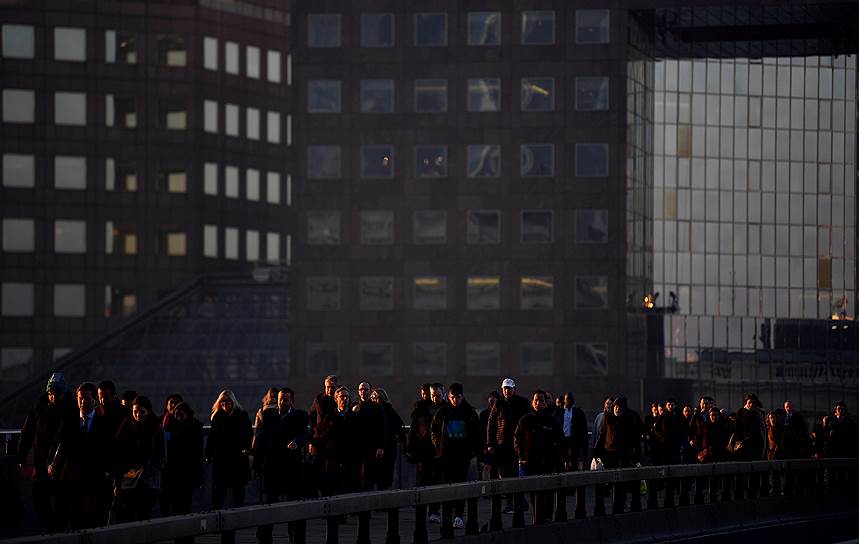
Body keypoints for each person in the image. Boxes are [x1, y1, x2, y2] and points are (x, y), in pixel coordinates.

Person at [16, 372, 77, 532]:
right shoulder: (39, 405)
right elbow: (27, 431)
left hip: (61, 464)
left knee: (60, 500)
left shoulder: (70, 408)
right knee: (39, 499)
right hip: (41, 461)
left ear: (63, 394)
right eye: (51, 394)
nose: (53, 397)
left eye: (57, 394)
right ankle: (55, 528)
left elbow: (66, 439)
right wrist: (21, 455)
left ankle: (58, 531)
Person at [50, 382, 113, 529]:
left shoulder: (104, 424)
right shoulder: (69, 422)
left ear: (94, 400)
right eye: (80, 398)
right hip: (73, 481)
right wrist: (54, 465)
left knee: (95, 522)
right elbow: (61, 446)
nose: (83, 402)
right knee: (76, 522)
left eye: (87, 398)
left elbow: (108, 450)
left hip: (96, 480)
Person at [253, 387, 310, 544]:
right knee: (269, 505)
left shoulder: (300, 416)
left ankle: (296, 539)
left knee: (294, 506)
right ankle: (264, 538)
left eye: (285, 399)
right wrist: (257, 465)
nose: (282, 401)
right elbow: (262, 442)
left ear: (292, 400)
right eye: (280, 398)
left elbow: (306, 435)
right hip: (273, 467)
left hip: (292, 468)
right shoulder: (269, 415)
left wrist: (297, 443)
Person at [431, 383, 480, 531]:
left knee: (461, 485)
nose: (455, 400)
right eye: (452, 397)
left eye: (458, 397)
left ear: (462, 396)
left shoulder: (469, 412)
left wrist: (474, 453)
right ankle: (447, 515)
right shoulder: (443, 412)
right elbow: (434, 431)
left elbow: (477, 434)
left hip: (463, 457)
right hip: (446, 456)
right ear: (449, 396)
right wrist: (438, 446)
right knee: (446, 485)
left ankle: (458, 515)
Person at [113, 395, 166, 523]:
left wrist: (152, 467)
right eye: (135, 412)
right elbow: (118, 455)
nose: (138, 415)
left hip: (148, 479)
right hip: (129, 477)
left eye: (142, 412)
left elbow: (162, 456)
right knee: (128, 516)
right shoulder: (126, 426)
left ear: (148, 411)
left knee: (144, 516)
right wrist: (117, 482)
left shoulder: (156, 428)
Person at [516, 390, 566, 524]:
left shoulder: (552, 421)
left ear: (546, 403)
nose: (538, 403)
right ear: (532, 402)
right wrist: (521, 456)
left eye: (541, 400)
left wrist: (560, 458)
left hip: (548, 462)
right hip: (531, 463)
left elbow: (561, 441)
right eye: (536, 400)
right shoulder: (525, 420)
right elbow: (517, 439)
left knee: (548, 491)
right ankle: (538, 516)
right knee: (534, 492)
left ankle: (547, 516)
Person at [486, 377, 530, 514]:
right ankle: (512, 502)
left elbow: (528, 423)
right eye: (505, 388)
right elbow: (491, 425)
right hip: (502, 445)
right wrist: (490, 443)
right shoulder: (498, 404)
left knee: (517, 475)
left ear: (514, 389)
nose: (507, 391)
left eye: (509, 388)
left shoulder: (522, 403)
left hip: (518, 445)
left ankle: (518, 501)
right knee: (504, 475)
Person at [593, 395, 642, 513]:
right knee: (608, 480)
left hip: (624, 455)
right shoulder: (607, 417)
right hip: (609, 454)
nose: (616, 409)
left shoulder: (629, 419)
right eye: (615, 406)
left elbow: (635, 438)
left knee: (621, 481)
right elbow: (602, 435)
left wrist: (637, 455)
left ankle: (619, 503)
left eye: (619, 407)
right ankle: (612, 502)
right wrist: (596, 454)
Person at [310, 386, 362, 497]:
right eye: (342, 396)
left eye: (346, 397)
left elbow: (359, 437)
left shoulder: (354, 417)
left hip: (350, 457)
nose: (344, 399)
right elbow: (323, 436)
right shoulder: (330, 417)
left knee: (349, 486)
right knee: (333, 486)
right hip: (333, 456)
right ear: (336, 399)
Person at [206, 390, 253, 509]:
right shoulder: (217, 417)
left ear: (233, 401)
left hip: (237, 456)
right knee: (220, 489)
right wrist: (208, 454)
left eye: (227, 401)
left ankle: (238, 512)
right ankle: (218, 513)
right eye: (222, 401)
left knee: (238, 488)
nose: (224, 403)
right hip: (222, 457)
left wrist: (247, 448)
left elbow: (248, 434)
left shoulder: (241, 415)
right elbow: (212, 437)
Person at [407, 382, 445, 523]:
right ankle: (424, 510)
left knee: (437, 480)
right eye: (432, 395)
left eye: (438, 395)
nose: (435, 397)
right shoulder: (421, 408)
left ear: (443, 393)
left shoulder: (446, 408)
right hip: (424, 450)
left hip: (440, 451)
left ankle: (434, 511)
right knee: (424, 481)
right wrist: (411, 449)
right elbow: (413, 429)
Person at [161, 401, 203, 524]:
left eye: (181, 415)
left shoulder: (194, 428)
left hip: (187, 471)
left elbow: (197, 452)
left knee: (184, 501)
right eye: (176, 415)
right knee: (176, 502)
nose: (178, 418)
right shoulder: (170, 427)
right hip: (174, 471)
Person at [352, 382, 387, 491]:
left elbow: (383, 427)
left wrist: (381, 447)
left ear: (370, 391)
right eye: (361, 389)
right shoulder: (354, 406)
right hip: (356, 447)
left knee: (369, 478)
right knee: (356, 478)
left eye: (366, 389)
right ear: (358, 392)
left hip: (371, 447)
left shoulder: (377, 407)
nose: (363, 392)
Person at [371, 388, 405, 490]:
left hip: (385, 448)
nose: (372, 399)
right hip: (389, 447)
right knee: (386, 477)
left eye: (374, 397)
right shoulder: (389, 409)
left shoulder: (383, 409)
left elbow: (391, 428)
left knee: (383, 477)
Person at [555, 392, 588, 471]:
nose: (569, 401)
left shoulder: (578, 412)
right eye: (567, 399)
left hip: (574, 441)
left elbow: (583, 429)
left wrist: (584, 446)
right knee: (562, 462)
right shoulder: (559, 412)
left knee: (574, 462)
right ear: (564, 400)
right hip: (562, 441)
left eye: (571, 399)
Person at [478, 391, 501, 480]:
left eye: (494, 397)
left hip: (498, 445)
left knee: (498, 469)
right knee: (486, 467)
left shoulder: (501, 412)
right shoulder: (484, 414)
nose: (492, 399)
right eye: (490, 397)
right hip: (487, 446)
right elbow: (481, 432)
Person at [251, 387, 279, 453]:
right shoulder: (281, 410)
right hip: (278, 442)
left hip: (264, 441)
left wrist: (253, 447)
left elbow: (257, 431)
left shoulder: (261, 411)